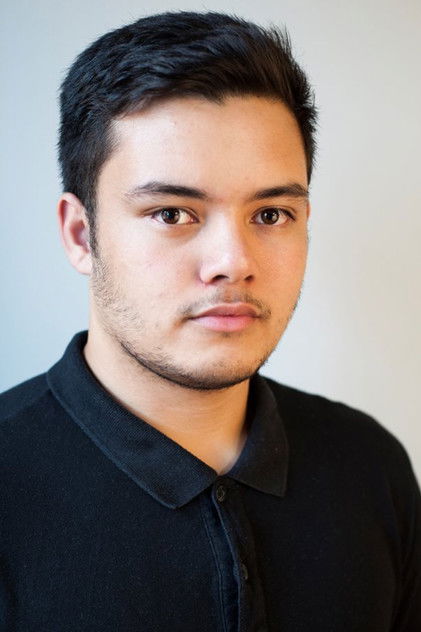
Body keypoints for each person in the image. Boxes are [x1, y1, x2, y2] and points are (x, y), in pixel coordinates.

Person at [0, 10, 420, 631]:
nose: (233, 263)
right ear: (81, 234)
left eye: (271, 214)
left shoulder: (371, 466)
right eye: (172, 213)